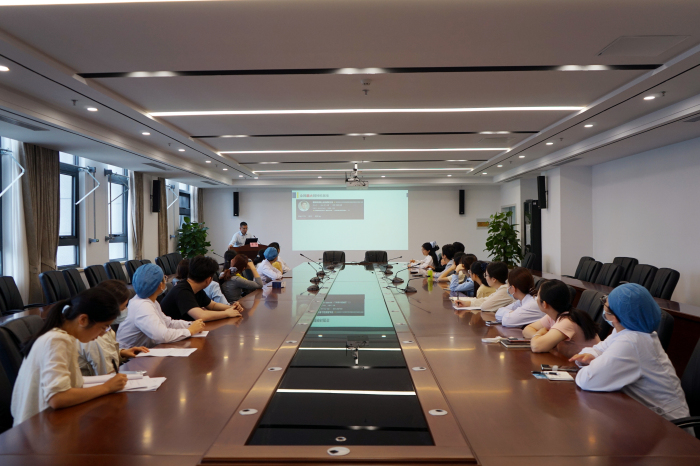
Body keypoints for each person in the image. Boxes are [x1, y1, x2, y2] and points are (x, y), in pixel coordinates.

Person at [570, 284, 691, 425]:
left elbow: (587, 380)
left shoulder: (632, 342)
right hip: (644, 417)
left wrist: (596, 361)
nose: (604, 305)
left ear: (615, 317)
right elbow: (596, 349)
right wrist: (596, 358)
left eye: (606, 304)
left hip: (670, 426)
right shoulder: (626, 331)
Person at [11, 288, 128, 426]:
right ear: (83, 319)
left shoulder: (65, 337)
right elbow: (57, 397)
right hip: (39, 428)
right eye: (103, 327)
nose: (104, 333)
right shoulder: (57, 340)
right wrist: (106, 387)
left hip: (51, 421)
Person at [117, 263, 206, 349]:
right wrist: (189, 331)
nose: (166, 281)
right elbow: (162, 336)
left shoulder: (149, 301)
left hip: (143, 352)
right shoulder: (142, 306)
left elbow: (167, 323)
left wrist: (190, 324)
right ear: (160, 285)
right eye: (164, 278)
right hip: (129, 357)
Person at [78, 280, 149, 376]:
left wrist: (122, 353)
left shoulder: (102, 326)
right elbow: (107, 374)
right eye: (123, 307)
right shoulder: (95, 336)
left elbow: (105, 356)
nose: (125, 310)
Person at [523, 279, 600, 358]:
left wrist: (540, 337)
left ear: (544, 304)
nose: (536, 299)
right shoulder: (553, 315)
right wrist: (541, 337)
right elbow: (527, 329)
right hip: (571, 362)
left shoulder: (567, 321)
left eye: (537, 296)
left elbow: (536, 346)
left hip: (587, 364)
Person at [160, 256, 243, 322]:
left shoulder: (195, 288)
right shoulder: (182, 291)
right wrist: (226, 313)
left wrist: (231, 307)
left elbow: (212, 305)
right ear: (208, 280)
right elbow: (201, 316)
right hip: (171, 334)